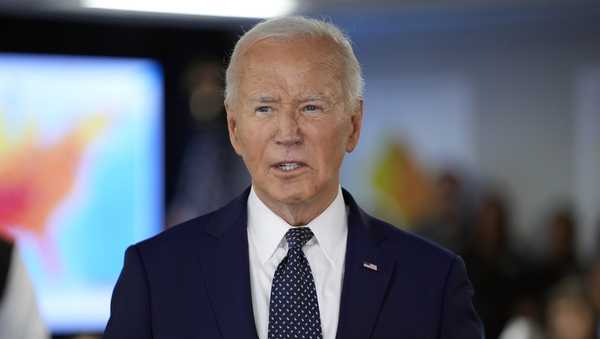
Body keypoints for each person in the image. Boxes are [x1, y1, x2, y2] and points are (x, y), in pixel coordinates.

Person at [104, 16, 483, 339]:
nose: (288, 132)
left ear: (353, 125)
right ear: (235, 129)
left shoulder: (432, 281)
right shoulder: (156, 276)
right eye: (265, 108)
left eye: (311, 107)